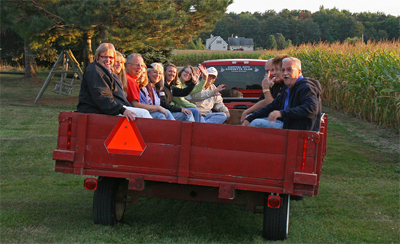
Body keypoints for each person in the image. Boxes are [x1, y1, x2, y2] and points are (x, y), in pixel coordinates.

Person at [242, 57, 322, 131]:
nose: (285, 73)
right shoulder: (288, 88)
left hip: (298, 130)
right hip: (288, 124)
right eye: (283, 70)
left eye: (289, 69)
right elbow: (272, 106)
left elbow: (311, 108)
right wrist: (250, 117)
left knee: (256, 123)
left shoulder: (305, 87)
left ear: (299, 72)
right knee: (255, 120)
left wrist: (281, 113)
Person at [77, 43, 151, 121]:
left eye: (111, 57)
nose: (108, 60)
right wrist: (122, 110)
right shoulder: (95, 70)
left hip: (112, 108)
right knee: (143, 114)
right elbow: (102, 97)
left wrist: (123, 108)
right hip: (99, 110)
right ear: (97, 57)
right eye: (104, 57)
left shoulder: (110, 73)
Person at [240, 54, 289, 123]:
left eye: (274, 70)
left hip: (281, 120)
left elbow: (272, 107)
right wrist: (248, 112)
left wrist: (266, 89)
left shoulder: (287, 85)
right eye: (267, 71)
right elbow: (264, 102)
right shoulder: (274, 84)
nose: (272, 73)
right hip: (271, 117)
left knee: (255, 122)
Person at [125, 53, 169, 120]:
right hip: (128, 115)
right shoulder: (129, 80)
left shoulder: (133, 80)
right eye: (137, 65)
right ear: (128, 65)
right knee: (160, 115)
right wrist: (158, 107)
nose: (140, 68)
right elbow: (136, 105)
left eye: (142, 66)